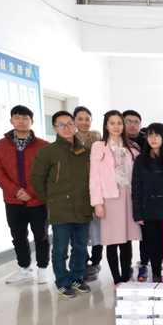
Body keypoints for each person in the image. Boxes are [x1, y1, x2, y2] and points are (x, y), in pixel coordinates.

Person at [30, 111, 92, 298]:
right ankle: (62, 282)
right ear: (55, 128)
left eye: (69, 124)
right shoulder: (47, 152)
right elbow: (37, 180)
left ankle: (76, 278)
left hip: (83, 207)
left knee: (80, 247)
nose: (67, 128)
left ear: (74, 125)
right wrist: (51, 200)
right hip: (60, 209)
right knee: (60, 249)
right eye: (61, 125)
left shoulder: (85, 152)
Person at [0, 105, 50, 284]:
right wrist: (15, 191)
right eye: (17, 117)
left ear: (32, 121)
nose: (21, 121)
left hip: (38, 200)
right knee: (18, 236)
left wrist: (31, 192)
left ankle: (43, 269)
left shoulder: (43, 145)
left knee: (41, 236)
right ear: (11, 121)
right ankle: (24, 268)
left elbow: (47, 172)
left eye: (25, 118)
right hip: (13, 200)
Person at [90, 110, 141, 287]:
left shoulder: (132, 148)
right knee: (112, 240)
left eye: (119, 123)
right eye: (112, 123)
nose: (116, 126)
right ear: (106, 125)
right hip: (110, 196)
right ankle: (116, 280)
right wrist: (98, 203)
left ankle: (126, 277)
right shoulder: (98, 146)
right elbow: (94, 176)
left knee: (127, 239)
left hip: (128, 196)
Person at [132, 123, 163, 283]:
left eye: (157, 135)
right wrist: (138, 213)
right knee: (154, 245)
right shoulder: (141, 160)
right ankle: (156, 275)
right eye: (150, 135)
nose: (153, 139)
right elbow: (137, 188)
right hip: (149, 209)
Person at [73, 106, 104, 282]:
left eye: (87, 119)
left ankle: (96, 262)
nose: (84, 122)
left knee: (98, 227)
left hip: (97, 189)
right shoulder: (69, 140)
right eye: (80, 119)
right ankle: (83, 262)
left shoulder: (98, 140)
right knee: (80, 227)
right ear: (74, 121)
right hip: (78, 190)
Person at [122, 109, 148, 281]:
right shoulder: (116, 143)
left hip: (143, 194)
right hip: (122, 194)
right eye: (128, 121)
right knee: (125, 234)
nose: (132, 125)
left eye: (135, 122)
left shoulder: (147, 142)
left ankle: (144, 263)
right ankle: (126, 266)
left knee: (145, 232)